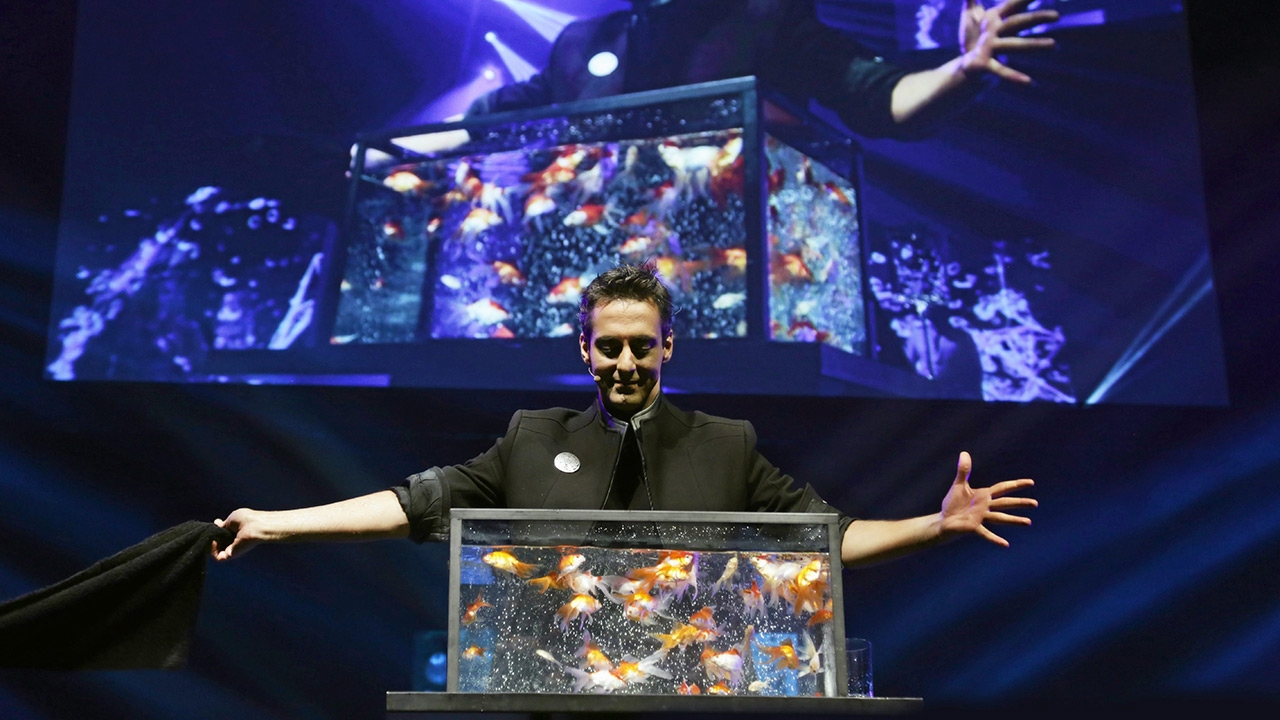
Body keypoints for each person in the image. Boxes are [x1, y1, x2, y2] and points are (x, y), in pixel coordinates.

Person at [213, 264, 1035, 567]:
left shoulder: (728, 446)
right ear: (585, 351)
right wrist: (276, 524)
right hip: (555, 691)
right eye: (609, 347)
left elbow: (832, 537)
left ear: (668, 347)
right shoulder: (532, 438)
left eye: (643, 346)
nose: (626, 364)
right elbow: (410, 504)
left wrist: (935, 525)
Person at [464, 0, 1059, 139]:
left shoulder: (765, 20)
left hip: (728, 275)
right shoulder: (584, 40)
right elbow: (496, 114)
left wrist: (964, 71)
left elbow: (879, 96)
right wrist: (416, 149)